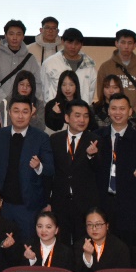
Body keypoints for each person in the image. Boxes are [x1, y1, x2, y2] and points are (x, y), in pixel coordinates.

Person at [0, 99, 54, 234]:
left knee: (27, 243)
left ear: (31, 114)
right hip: (3, 205)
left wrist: (39, 166)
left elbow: (50, 169)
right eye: (16, 111)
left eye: (25, 112)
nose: (20, 116)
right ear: (9, 113)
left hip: (28, 206)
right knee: (2, 243)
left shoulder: (41, 137)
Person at [97, 94, 136, 251]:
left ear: (130, 111)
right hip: (103, 202)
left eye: (122, 109)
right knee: (104, 248)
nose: (118, 112)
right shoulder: (97, 136)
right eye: (114, 108)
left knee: (128, 249)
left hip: (129, 204)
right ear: (108, 111)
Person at [48, 99, 103, 247]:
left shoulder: (95, 140)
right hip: (60, 202)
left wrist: (92, 156)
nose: (82, 120)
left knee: (83, 245)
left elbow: (100, 170)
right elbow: (51, 172)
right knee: (61, 245)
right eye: (77, 115)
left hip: (85, 204)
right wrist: (48, 201)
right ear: (67, 118)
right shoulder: (55, 139)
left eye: (86, 116)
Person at [0, 19, 43, 115]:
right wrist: (6, 102)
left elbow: (37, 84)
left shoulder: (30, 59)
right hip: (2, 108)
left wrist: (28, 104)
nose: (15, 37)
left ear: (23, 36)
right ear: (5, 35)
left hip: (25, 110)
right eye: (11, 34)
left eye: (18, 34)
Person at [95, 29, 136, 116]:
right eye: (123, 42)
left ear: (134, 45)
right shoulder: (105, 67)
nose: (126, 46)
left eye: (129, 43)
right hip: (111, 115)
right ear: (116, 43)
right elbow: (101, 92)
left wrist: (133, 113)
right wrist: (110, 111)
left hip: (134, 115)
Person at [41, 27, 98, 107]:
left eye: (77, 43)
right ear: (62, 41)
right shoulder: (49, 63)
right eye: (70, 43)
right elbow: (44, 90)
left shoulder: (89, 66)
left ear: (81, 45)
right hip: (56, 110)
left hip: (81, 110)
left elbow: (91, 93)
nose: (73, 47)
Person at [77, 207, 130, 272]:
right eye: (89, 224)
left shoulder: (120, 247)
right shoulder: (79, 245)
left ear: (107, 226)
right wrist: (87, 256)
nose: (94, 228)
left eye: (98, 224)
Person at [44, 70, 86, 134]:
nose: (67, 88)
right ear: (60, 86)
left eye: (71, 85)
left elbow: (91, 126)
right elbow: (52, 127)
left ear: (76, 86)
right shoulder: (51, 105)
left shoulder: (83, 105)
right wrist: (55, 114)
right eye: (64, 85)